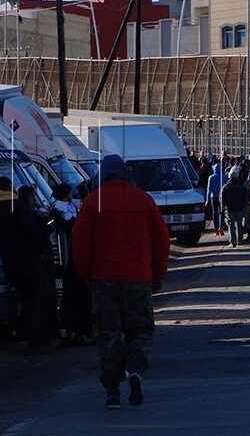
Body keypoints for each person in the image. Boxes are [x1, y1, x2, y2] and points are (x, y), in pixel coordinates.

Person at [72, 154, 170, 410]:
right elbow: (162, 240)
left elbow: (80, 241)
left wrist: (85, 274)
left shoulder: (94, 201)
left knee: (109, 334)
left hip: (104, 279)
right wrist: (158, 273)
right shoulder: (144, 200)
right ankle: (135, 369)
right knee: (139, 331)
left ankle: (112, 391)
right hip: (138, 278)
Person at [0, 178, 52, 352]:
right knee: (33, 301)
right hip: (28, 261)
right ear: (9, 187)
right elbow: (33, 233)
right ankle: (37, 340)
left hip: (8, 261)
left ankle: (18, 332)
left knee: (20, 299)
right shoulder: (18, 207)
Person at [53, 184, 93, 345]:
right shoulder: (60, 209)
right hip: (74, 258)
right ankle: (78, 331)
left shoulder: (71, 207)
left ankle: (77, 331)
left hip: (76, 258)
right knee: (76, 296)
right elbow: (70, 227)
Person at [205, 160, 228, 237]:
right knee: (221, 213)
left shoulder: (211, 177)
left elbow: (209, 190)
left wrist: (207, 200)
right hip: (222, 197)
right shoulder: (224, 177)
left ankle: (216, 229)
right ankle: (221, 228)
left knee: (215, 213)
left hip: (213, 197)